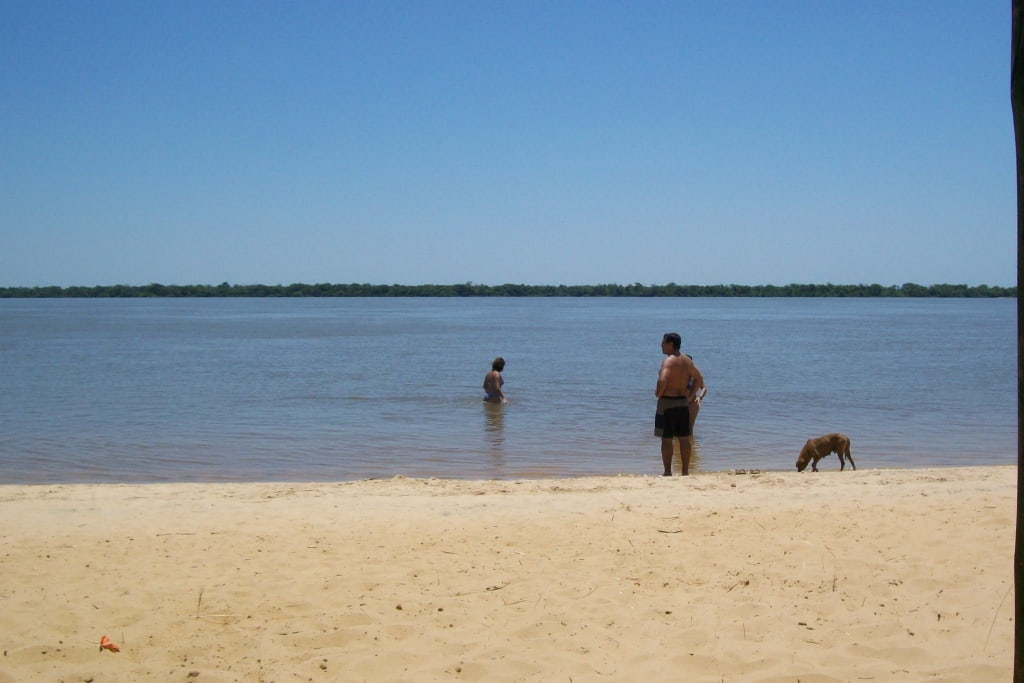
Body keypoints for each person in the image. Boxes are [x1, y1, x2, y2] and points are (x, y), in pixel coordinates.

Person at [654, 333, 704, 476]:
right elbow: (699, 379)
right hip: (683, 403)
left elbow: (663, 380)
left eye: (663, 342)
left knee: (666, 439)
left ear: (671, 344)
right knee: (684, 438)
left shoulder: (668, 361)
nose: (661, 345)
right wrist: (689, 395)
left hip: (667, 402)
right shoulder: (687, 361)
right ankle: (685, 471)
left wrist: (658, 393)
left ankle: (667, 472)